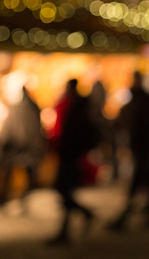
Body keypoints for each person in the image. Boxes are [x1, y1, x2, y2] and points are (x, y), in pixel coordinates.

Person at [110, 72, 149, 229]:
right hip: (141, 148)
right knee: (148, 183)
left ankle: (125, 218)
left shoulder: (145, 101)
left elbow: (147, 126)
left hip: (145, 148)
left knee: (140, 183)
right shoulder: (139, 100)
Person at [48, 79, 97, 245]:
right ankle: (65, 230)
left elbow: (74, 134)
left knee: (62, 188)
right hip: (71, 155)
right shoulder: (77, 106)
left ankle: (84, 215)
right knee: (64, 190)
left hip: (71, 156)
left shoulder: (76, 108)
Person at [0, 85, 47, 211]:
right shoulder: (34, 109)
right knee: (28, 175)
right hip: (30, 148)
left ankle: (5, 199)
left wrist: (1, 142)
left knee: (10, 174)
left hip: (17, 148)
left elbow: (7, 129)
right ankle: (24, 198)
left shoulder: (16, 109)